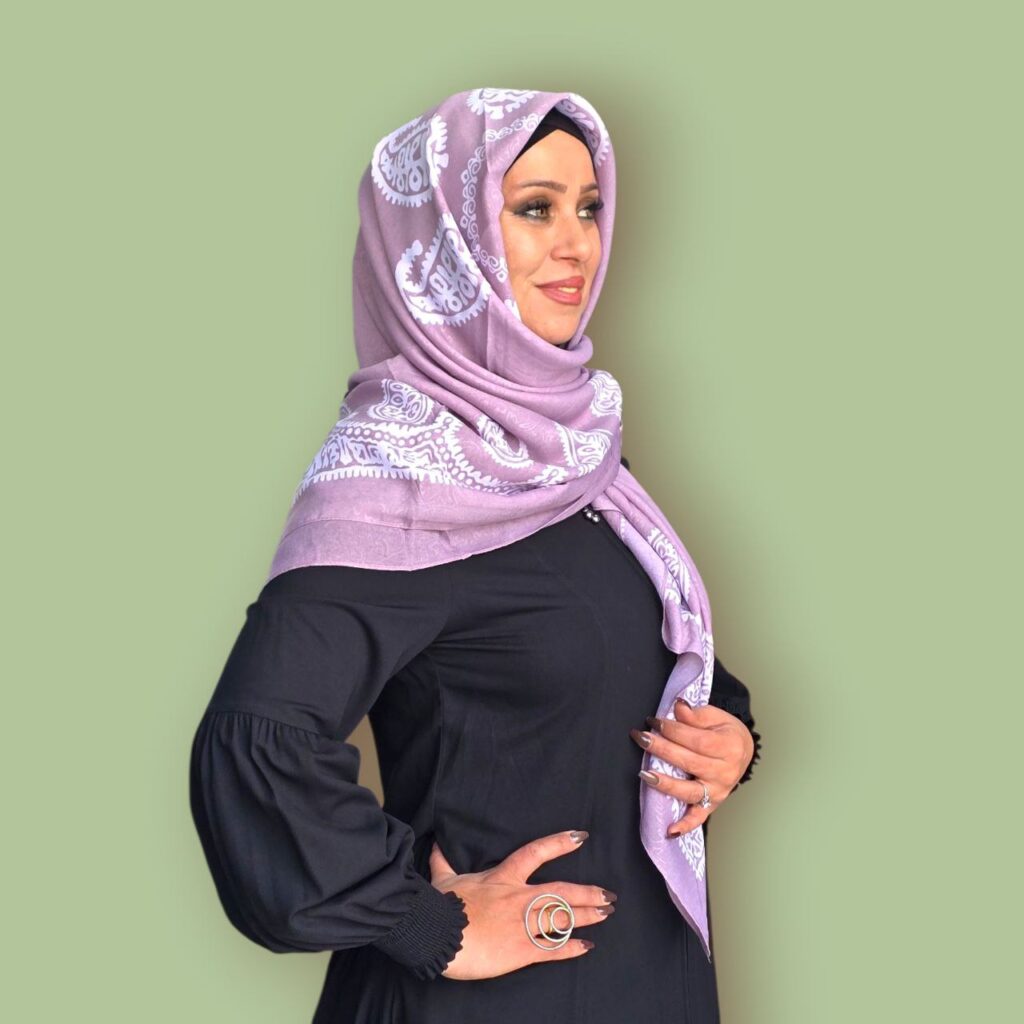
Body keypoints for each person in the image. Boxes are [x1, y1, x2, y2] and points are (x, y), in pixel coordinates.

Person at [189, 87, 762, 1023]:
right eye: (534, 208)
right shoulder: (397, 478)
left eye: (589, 208)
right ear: (443, 241)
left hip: (642, 984)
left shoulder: (578, 458)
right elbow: (257, 744)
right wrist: (429, 926)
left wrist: (728, 737)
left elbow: (636, 657)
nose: (577, 244)